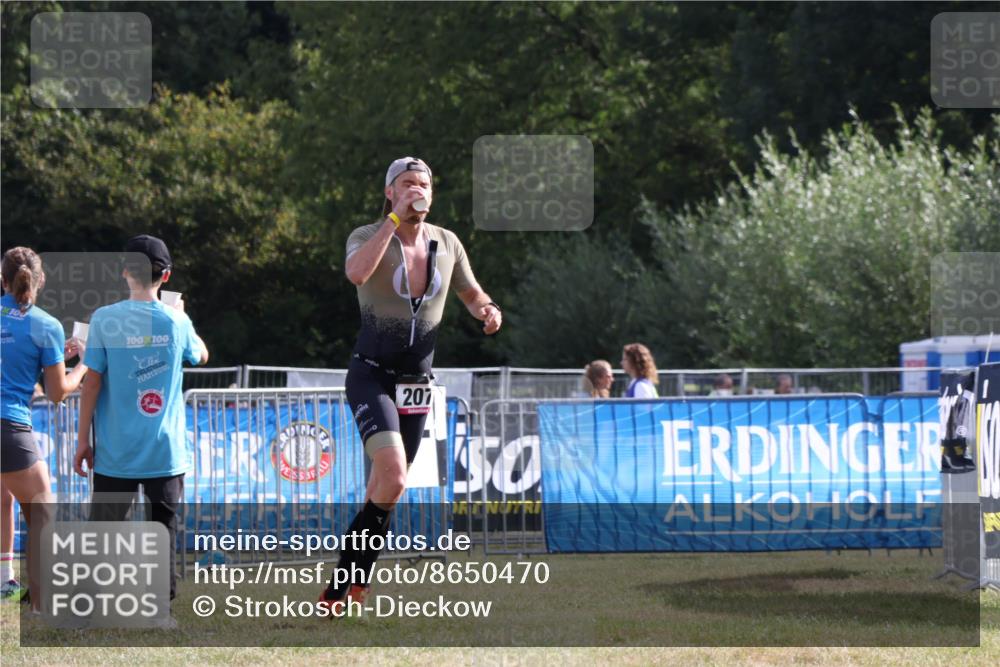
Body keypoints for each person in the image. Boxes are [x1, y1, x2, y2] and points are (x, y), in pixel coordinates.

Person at [320, 157, 501, 610]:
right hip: (371, 375)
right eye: (406, 184)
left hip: (417, 382)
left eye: (423, 184)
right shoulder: (366, 236)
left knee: (388, 488)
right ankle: (347, 584)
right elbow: (357, 273)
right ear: (389, 192)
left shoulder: (448, 242)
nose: (416, 189)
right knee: (395, 473)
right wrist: (395, 220)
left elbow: (470, 290)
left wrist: (487, 309)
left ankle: (346, 584)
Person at [73, 235, 209, 607]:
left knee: (102, 532)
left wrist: (82, 439)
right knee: (161, 530)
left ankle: (90, 603)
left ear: (124, 271)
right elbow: (201, 354)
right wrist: (180, 312)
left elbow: (92, 382)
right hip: (164, 452)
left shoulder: (104, 319)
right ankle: (159, 605)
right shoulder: (177, 320)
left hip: (116, 449)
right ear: (166, 276)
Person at [1, 247, 88, 609]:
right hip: (9, 426)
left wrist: (53, 357)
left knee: (4, 498)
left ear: (1, 280)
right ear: (40, 281)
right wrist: (83, 362)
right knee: (44, 512)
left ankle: (5, 581)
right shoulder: (46, 325)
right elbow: (57, 393)